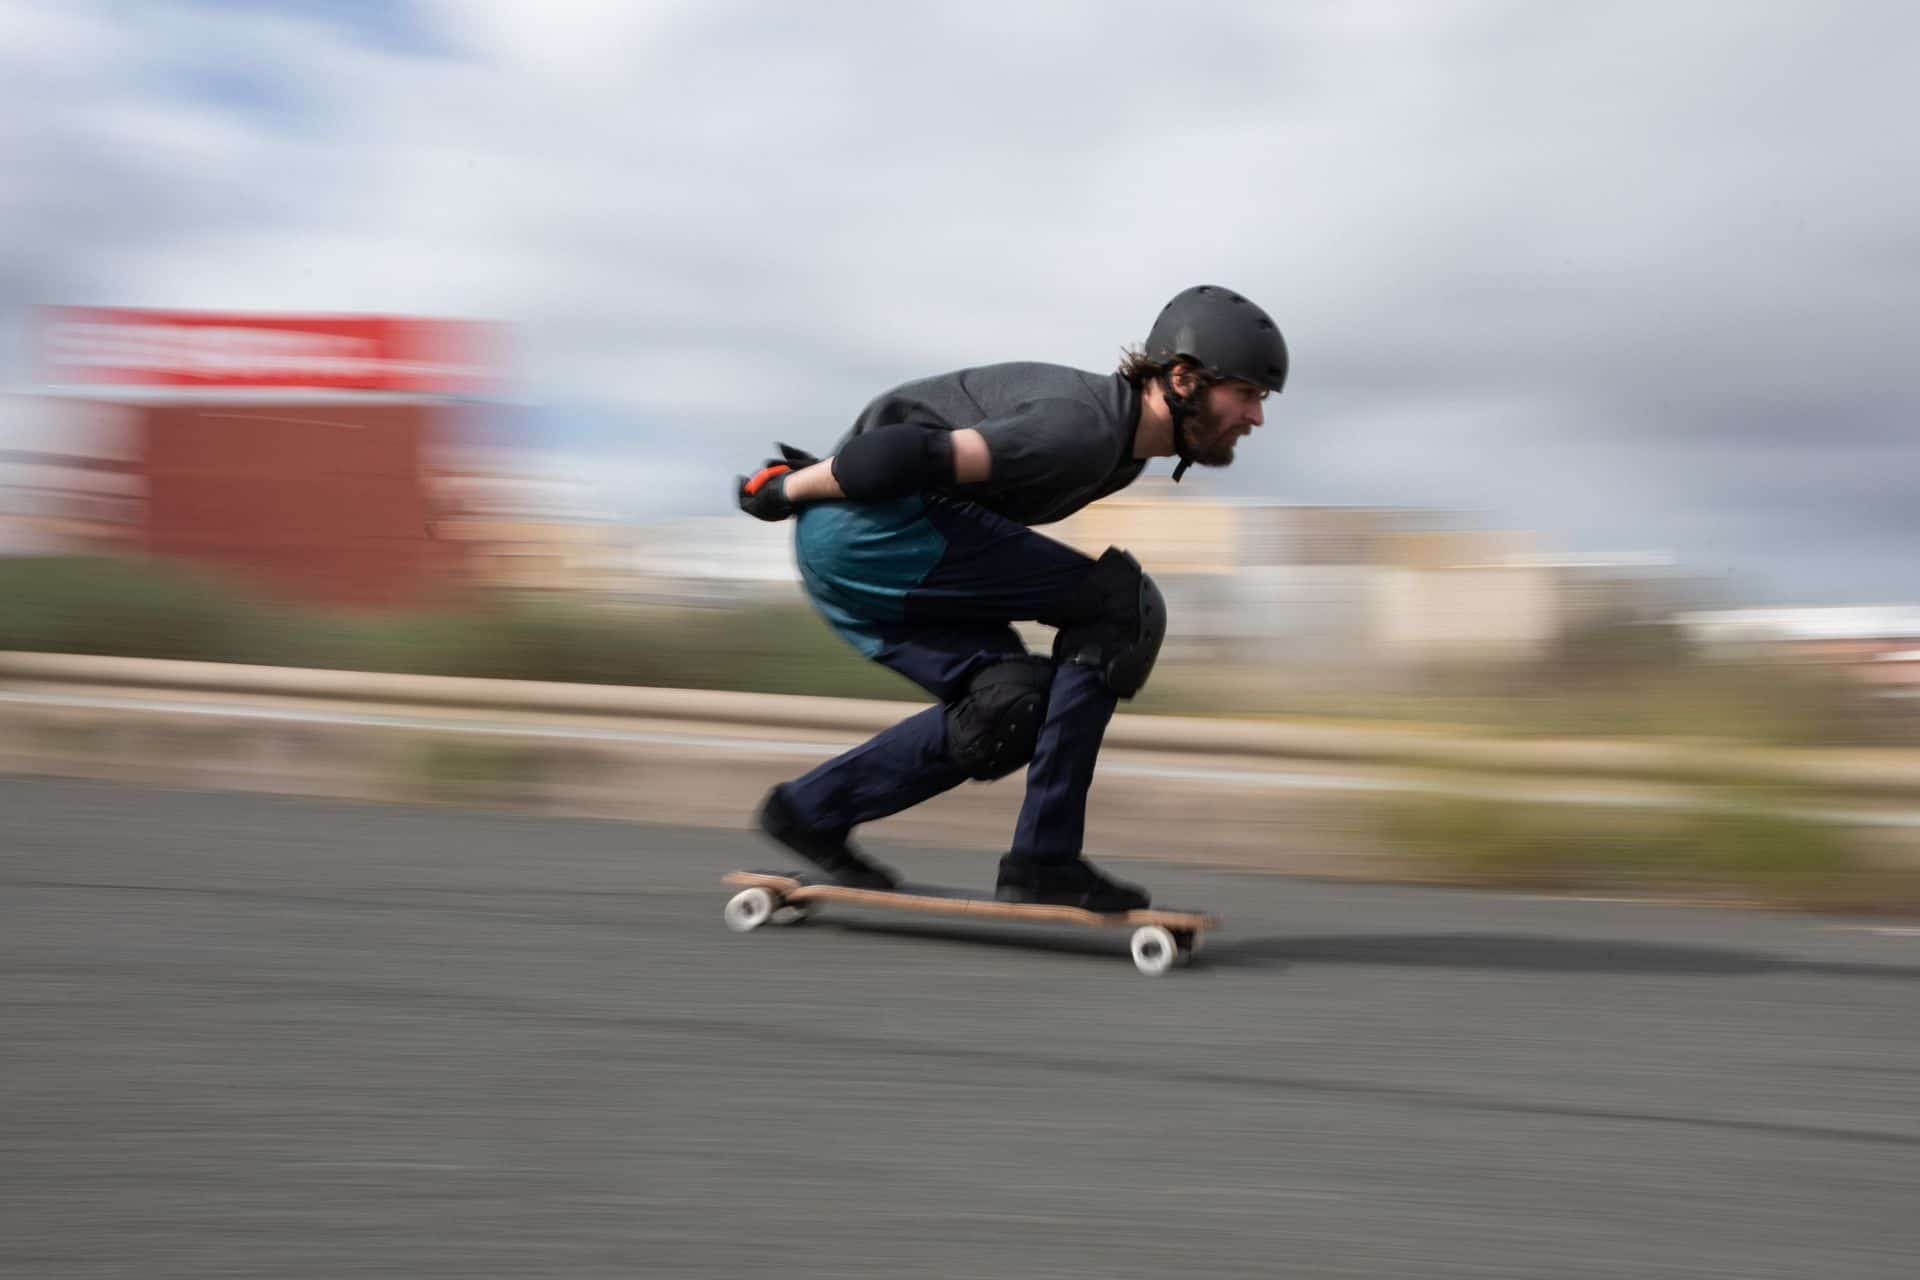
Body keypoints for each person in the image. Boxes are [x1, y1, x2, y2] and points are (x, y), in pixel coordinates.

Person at [734, 285, 1288, 911]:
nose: (1256, 416)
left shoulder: (1121, 454)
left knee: (1009, 703)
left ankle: (808, 812)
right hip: (872, 531)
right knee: (1121, 607)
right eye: (1245, 394)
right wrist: (783, 490)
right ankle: (1045, 859)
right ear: (1184, 379)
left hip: (859, 549)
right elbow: (900, 455)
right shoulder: (1081, 428)